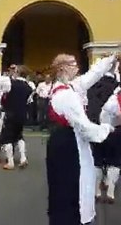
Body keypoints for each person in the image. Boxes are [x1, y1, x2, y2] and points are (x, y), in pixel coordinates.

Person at [46, 53, 117, 225]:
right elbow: (85, 128)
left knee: (64, 189)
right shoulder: (66, 95)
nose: (77, 67)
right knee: (73, 189)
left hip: (62, 142)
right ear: (62, 68)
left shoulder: (67, 87)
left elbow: (89, 78)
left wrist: (109, 60)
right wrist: (107, 129)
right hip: (69, 146)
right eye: (73, 64)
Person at [0, 64, 33, 170]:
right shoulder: (29, 86)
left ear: (17, 72)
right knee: (19, 136)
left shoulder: (10, 83)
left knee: (7, 137)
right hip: (22, 114)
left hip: (10, 113)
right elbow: (29, 101)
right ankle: (23, 158)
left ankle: (11, 162)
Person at [98, 82, 121, 203]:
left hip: (107, 130)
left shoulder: (113, 98)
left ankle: (102, 187)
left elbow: (103, 115)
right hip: (115, 131)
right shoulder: (114, 98)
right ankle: (110, 191)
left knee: (102, 160)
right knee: (116, 161)